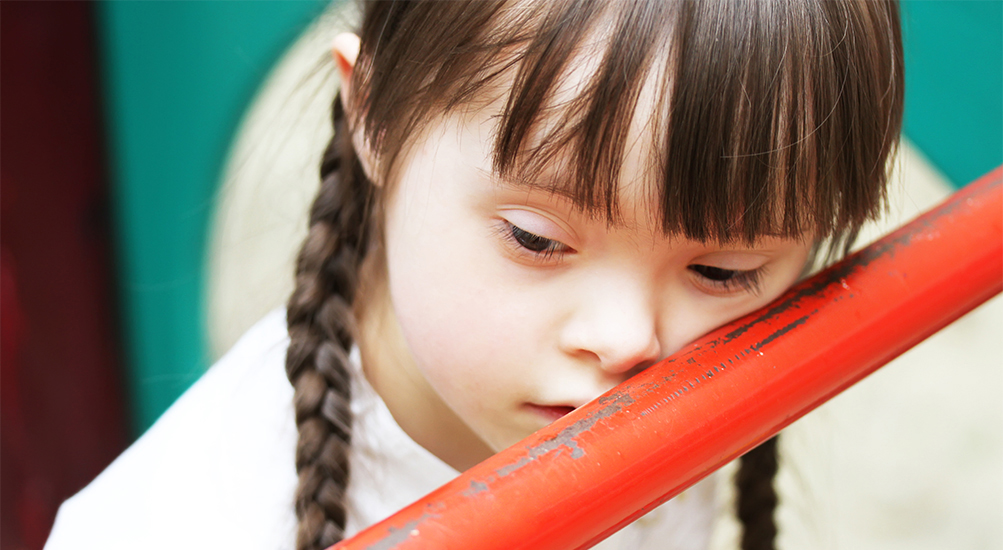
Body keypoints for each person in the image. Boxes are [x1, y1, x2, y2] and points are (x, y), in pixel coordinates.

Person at [45, 1, 904, 550]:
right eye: (535, 239)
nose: (625, 339)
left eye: (722, 269)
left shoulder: (671, 387)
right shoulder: (175, 526)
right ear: (374, 115)